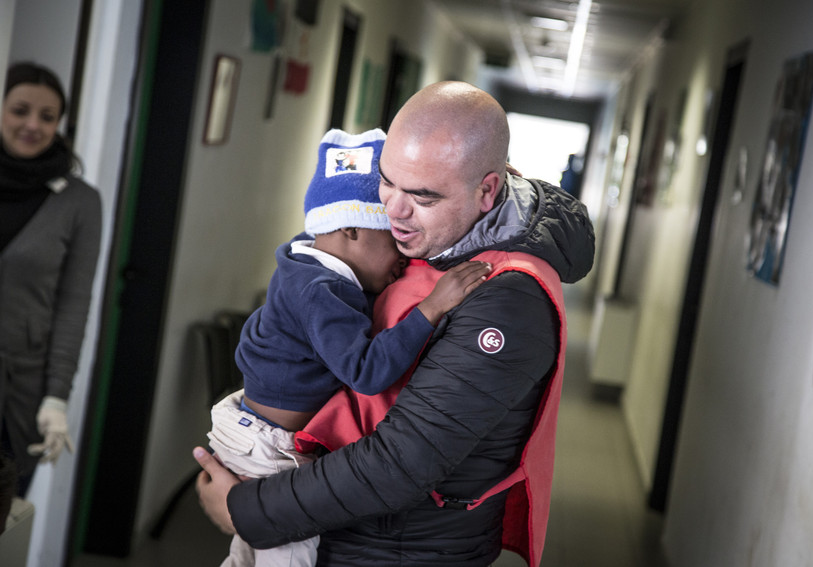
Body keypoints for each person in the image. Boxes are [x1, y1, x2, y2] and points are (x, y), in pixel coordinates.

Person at [195, 81, 595, 566]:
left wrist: (247, 510)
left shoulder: (507, 300)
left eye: (423, 197)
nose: (393, 211)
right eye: (387, 183)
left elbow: (402, 462)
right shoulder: (440, 236)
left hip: (397, 549)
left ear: (488, 190)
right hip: (347, 526)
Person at [206, 128, 491, 566]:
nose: (403, 258)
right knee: (291, 552)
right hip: (269, 445)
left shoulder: (306, 261)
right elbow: (367, 372)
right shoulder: (320, 291)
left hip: (256, 428)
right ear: (350, 229)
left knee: (250, 556)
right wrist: (431, 308)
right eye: (393, 240)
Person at [0, 62, 102, 496]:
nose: (32, 125)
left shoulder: (80, 202)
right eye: (19, 110)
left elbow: (73, 305)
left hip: (19, 394)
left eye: (47, 116)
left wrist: (57, 396)